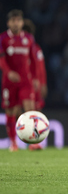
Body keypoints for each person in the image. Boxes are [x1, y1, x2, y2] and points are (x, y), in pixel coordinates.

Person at [0, 10, 37, 152]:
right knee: (11, 111)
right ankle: (13, 143)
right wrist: (9, 73)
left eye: (18, 20)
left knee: (30, 110)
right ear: (8, 23)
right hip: (9, 82)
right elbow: (1, 59)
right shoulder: (2, 38)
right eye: (13, 20)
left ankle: (32, 142)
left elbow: (33, 60)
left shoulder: (28, 38)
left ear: (22, 22)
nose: (16, 23)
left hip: (26, 80)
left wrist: (34, 77)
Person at [22, 19, 48, 151]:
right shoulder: (20, 49)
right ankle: (21, 140)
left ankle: (33, 141)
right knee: (20, 112)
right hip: (23, 83)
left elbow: (41, 68)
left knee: (35, 112)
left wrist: (42, 83)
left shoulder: (36, 49)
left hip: (35, 84)